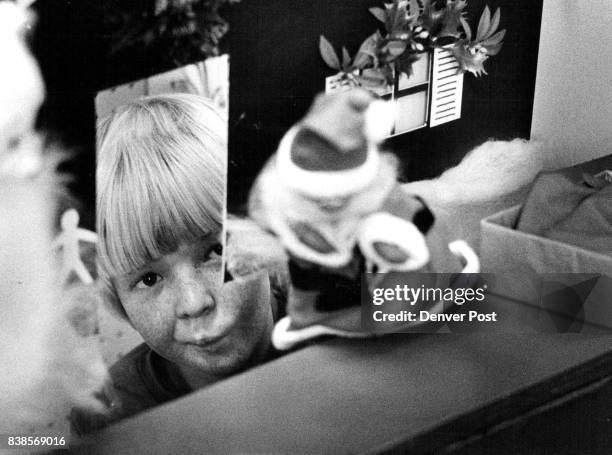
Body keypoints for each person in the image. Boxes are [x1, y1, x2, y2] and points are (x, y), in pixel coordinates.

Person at [71, 94, 284, 435]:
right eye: (150, 278)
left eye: (216, 251)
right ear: (119, 301)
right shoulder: (109, 416)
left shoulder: (342, 306)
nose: (194, 303)